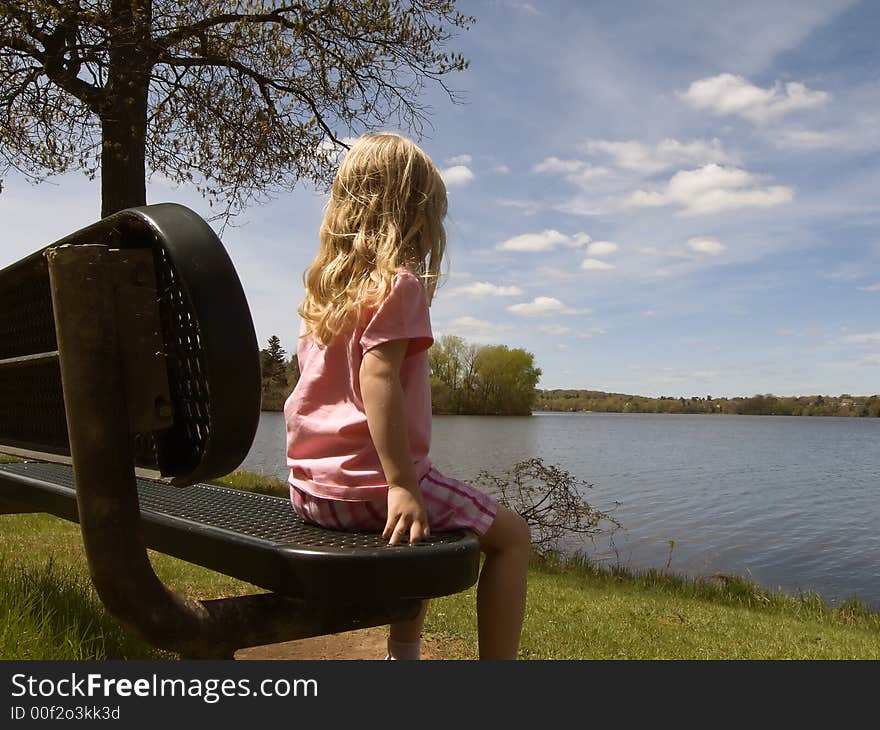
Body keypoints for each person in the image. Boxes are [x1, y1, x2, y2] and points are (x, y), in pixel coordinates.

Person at [284, 133, 530, 660]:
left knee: (418, 528)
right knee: (512, 538)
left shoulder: (322, 293)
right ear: (416, 214)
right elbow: (378, 378)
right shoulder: (398, 285)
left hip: (310, 492)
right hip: (369, 490)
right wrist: (400, 483)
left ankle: (407, 658)